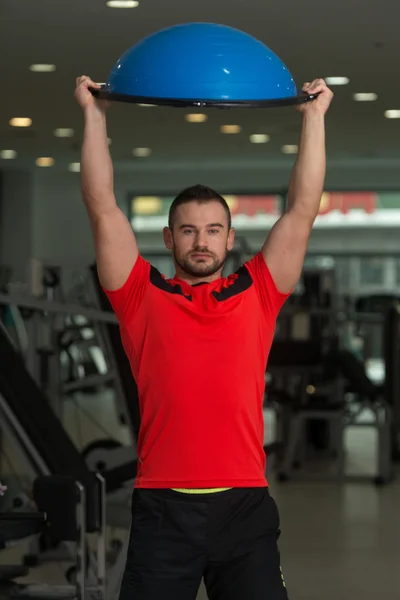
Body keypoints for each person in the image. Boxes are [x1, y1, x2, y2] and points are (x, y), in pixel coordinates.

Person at [75, 75, 333, 600]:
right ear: (169, 238)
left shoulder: (258, 291)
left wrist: (314, 118)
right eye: (188, 230)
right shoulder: (138, 295)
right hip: (163, 508)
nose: (201, 240)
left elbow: (302, 210)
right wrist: (94, 114)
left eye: (213, 229)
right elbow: (103, 207)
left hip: (245, 507)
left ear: (230, 238)